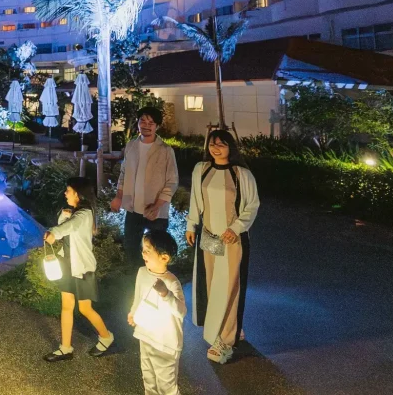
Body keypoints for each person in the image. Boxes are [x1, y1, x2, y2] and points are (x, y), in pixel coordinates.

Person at [185, 129, 260, 364]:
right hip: (208, 237)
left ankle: (226, 341)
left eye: (221, 144)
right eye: (212, 144)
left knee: (230, 288)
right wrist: (191, 225)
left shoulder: (242, 174)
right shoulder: (201, 169)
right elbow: (195, 200)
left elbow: (252, 205)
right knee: (211, 286)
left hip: (232, 241)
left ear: (231, 147)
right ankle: (227, 328)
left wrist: (236, 228)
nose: (215, 148)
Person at [43, 177, 116, 362]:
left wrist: (54, 233)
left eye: (68, 190)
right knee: (66, 306)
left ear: (77, 193)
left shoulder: (84, 214)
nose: (65, 193)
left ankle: (106, 337)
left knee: (85, 308)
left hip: (82, 268)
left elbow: (70, 226)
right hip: (67, 265)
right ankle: (65, 348)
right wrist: (62, 220)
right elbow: (65, 227)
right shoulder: (75, 212)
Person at [111, 106, 179, 268]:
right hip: (132, 209)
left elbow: (172, 181)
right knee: (131, 249)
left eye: (151, 123)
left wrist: (157, 206)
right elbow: (123, 174)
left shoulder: (165, 151)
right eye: (143, 121)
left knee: (156, 252)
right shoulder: (131, 146)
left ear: (157, 126)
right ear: (138, 123)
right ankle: (134, 278)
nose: (146, 125)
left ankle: (155, 279)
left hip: (155, 212)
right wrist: (119, 197)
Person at [128, 230, 185, 395]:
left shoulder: (171, 282)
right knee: (149, 379)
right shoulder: (142, 272)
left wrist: (165, 293)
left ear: (164, 257)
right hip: (145, 336)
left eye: (148, 250)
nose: (143, 253)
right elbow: (138, 296)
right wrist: (133, 312)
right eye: (143, 249)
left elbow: (181, 311)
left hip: (165, 344)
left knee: (166, 387)